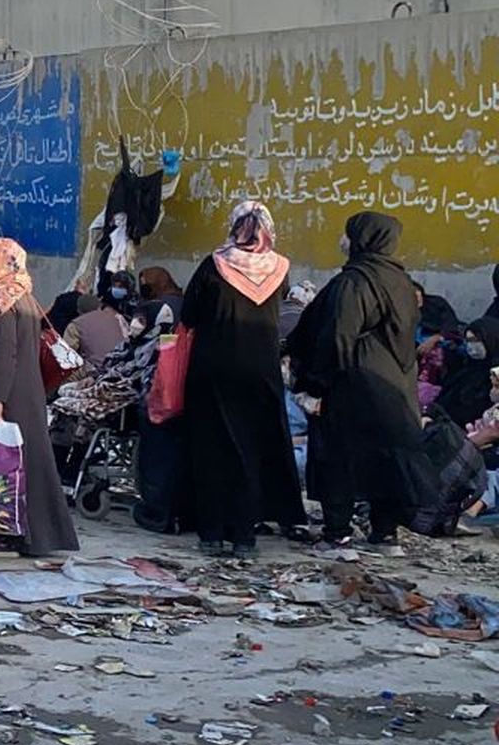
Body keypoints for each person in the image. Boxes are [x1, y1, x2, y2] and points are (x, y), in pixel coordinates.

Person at [288, 212, 438, 554]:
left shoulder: (355, 282)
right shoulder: (400, 281)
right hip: (395, 385)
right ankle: (385, 534)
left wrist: (316, 383)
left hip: (353, 384)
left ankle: (337, 534)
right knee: (385, 460)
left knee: (338, 457)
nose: (343, 240)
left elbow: (338, 335)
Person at [180, 202, 307, 558]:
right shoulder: (280, 269)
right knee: (252, 449)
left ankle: (211, 534)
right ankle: (244, 536)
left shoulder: (214, 264)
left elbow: (189, 314)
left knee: (212, 448)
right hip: (261, 371)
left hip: (213, 369)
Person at [0, 238, 81, 559]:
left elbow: (5, 352)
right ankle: (34, 533)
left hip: (6, 397)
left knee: (2, 466)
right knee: (28, 463)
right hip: (26, 393)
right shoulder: (22, 294)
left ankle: (2, 534)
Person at [64, 292, 129, 362]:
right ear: (99, 306)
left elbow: (67, 354)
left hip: (104, 368)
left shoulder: (75, 326)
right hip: (129, 358)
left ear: (79, 311)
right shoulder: (113, 313)